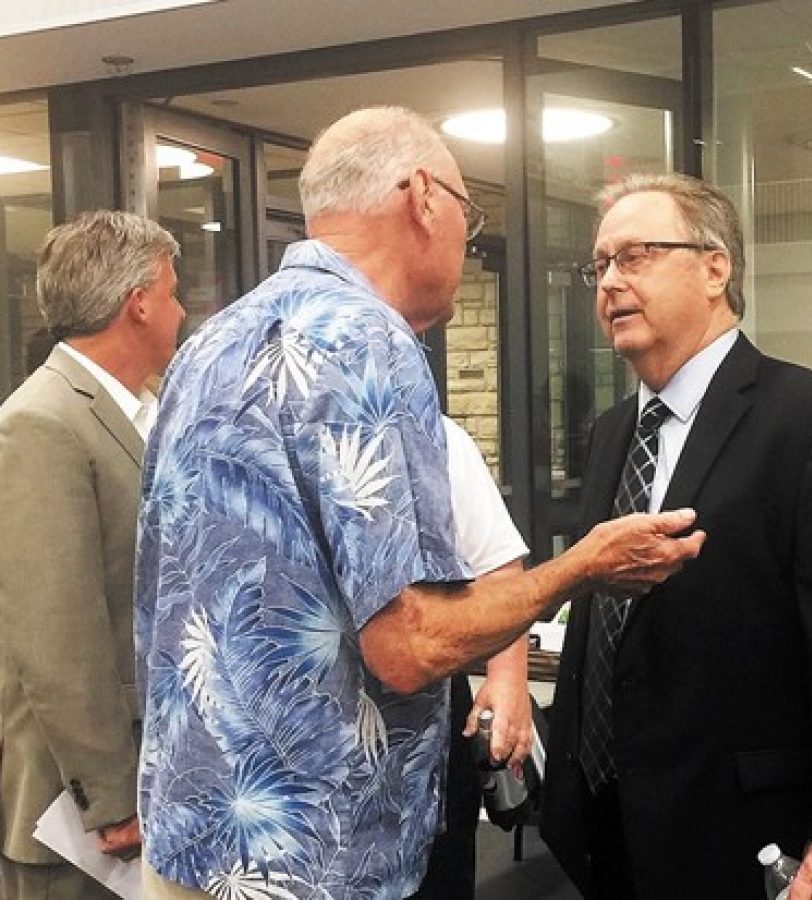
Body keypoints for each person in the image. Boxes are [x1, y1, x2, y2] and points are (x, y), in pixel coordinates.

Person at [135, 107, 704, 900]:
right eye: (469, 217)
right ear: (423, 197)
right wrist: (581, 567)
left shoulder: (210, 343)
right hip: (315, 861)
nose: (466, 243)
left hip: (190, 841)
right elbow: (410, 646)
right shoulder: (371, 342)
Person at [540, 172, 812, 900]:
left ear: (715, 268)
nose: (609, 281)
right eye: (600, 264)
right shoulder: (613, 432)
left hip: (750, 834)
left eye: (636, 255)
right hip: (608, 827)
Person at [0, 210, 184, 899]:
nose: (181, 310)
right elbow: (55, 636)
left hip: (153, 781)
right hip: (77, 819)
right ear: (137, 303)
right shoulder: (40, 422)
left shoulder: (146, 407)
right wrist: (109, 795)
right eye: (171, 292)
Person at [413, 415, 530, 900]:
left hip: (424, 726)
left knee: (435, 877)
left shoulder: (432, 433)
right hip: (281, 757)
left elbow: (498, 570)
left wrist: (508, 679)